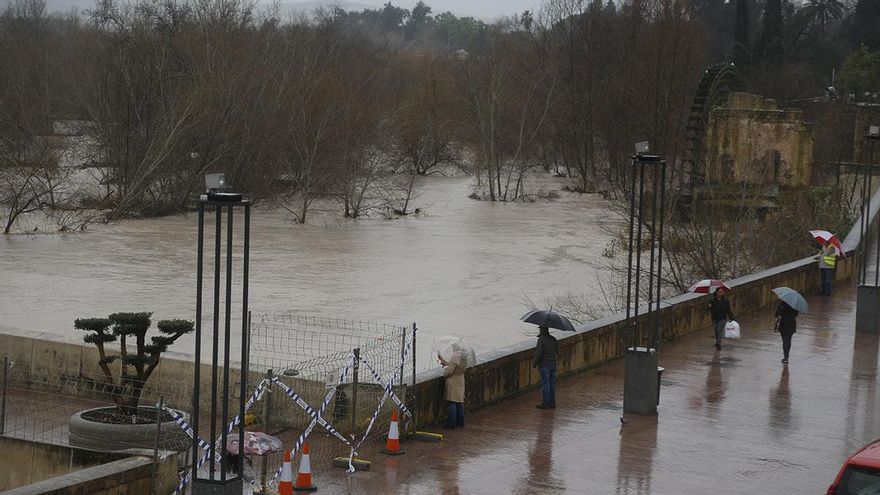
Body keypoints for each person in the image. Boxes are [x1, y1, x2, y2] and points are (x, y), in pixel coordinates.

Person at [533, 325, 558, 409]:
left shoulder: (541, 340)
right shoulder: (553, 339)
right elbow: (557, 351)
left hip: (545, 365)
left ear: (542, 330)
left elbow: (538, 353)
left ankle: (546, 403)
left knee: (546, 384)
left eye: (540, 329)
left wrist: (535, 363)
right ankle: (552, 403)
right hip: (553, 364)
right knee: (552, 384)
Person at [439, 354, 465, 428]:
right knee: (459, 402)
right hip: (460, 380)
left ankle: (451, 423)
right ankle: (460, 421)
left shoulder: (455, 357)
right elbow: (455, 366)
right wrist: (444, 361)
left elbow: (450, 371)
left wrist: (445, 372)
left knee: (452, 402)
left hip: (453, 382)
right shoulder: (463, 356)